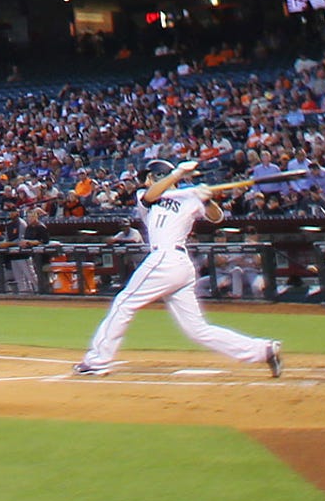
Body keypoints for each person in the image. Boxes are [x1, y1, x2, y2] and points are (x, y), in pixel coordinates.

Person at [75, 160, 283, 378]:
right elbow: (151, 195)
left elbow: (217, 217)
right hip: (169, 261)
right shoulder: (147, 196)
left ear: (157, 174)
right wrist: (177, 174)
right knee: (197, 330)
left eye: (148, 176)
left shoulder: (189, 197)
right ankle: (264, 350)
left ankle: (97, 361)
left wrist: (208, 199)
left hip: (169, 258)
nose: (145, 181)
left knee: (124, 303)